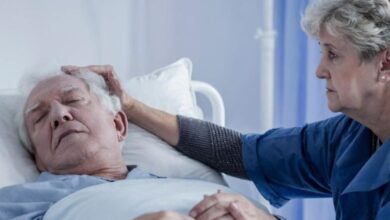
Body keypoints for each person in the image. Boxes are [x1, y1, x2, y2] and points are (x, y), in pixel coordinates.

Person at [63, 0, 390, 219]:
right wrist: (132, 105)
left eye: (333, 54)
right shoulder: (348, 137)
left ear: (384, 63)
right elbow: (237, 151)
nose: (319, 70)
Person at [0, 71, 198, 220]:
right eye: (40, 117)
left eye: (74, 100)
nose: (59, 115)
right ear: (37, 158)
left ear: (118, 125)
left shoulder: (189, 185)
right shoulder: (19, 201)